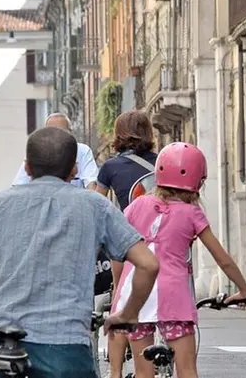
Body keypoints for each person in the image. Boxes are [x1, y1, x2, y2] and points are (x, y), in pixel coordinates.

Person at [0, 126, 160, 378]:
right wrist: (128, 313)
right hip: (65, 350)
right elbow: (148, 264)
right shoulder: (95, 207)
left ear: (27, 168)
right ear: (74, 169)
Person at [113, 142, 246, 378]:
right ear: (197, 181)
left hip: (136, 297)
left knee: (142, 372)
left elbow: (118, 249)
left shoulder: (137, 206)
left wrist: (118, 290)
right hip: (173, 298)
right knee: (187, 370)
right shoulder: (192, 213)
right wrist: (244, 290)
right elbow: (222, 259)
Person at [94, 110, 158, 378]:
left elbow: (97, 205)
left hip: (126, 243)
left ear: (119, 135)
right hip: (159, 240)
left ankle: (115, 372)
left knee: (120, 303)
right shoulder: (161, 162)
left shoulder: (110, 167)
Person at [12, 113, 99, 189]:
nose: (56, 136)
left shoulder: (82, 151)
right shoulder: (36, 151)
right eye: (51, 132)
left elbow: (91, 184)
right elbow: (19, 186)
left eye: (62, 132)